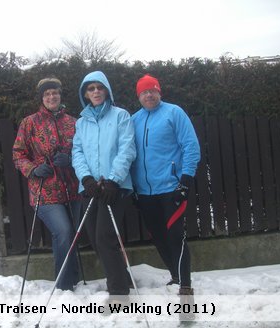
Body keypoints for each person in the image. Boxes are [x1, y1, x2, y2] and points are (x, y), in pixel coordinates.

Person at [130, 74, 200, 317]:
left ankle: (185, 288)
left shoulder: (174, 113)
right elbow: (130, 155)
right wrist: (132, 187)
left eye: (153, 91)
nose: (149, 95)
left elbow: (191, 146)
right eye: (144, 92)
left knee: (175, 236)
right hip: (145, 192)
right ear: (138, 96)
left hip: (171, 188)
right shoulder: (134, 120)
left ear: (160, 92)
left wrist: (185, 181)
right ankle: (175, 275)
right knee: (158, 236)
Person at [72, 70, 136, 298]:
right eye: (91, 88)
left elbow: (127, 149)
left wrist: (113, 180)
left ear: (106, 90)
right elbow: (77, 152)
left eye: (99, 87)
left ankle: (118, 293)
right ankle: (122, 277)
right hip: (91, 188)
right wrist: (86, 178)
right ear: (85, 94)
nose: (96, 91)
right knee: (95, 238)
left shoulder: (121, 116)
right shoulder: (81, 123)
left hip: (113, 188)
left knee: (105, 237)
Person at [13, 77, 81, 291]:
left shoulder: (73, 122)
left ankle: (74, 277)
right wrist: (33, 169)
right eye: (47, 94)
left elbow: (84, 152)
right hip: (44, 192)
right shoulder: (29, 123)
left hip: (72, 190)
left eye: (55, 93)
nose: (51, 97)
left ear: (60, 95)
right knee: (63, 231)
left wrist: (70, 161)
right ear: (42, 98)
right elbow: (18, 154)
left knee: (72, 235)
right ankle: (63, 285)